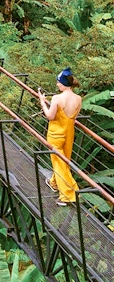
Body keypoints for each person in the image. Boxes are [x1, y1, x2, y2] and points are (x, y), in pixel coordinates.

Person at [38, 68, 82, 206]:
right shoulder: (78, 99)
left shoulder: (57, 98)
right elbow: (73, 118)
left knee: (58, 164)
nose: (57, 85)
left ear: (63, 83)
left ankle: (68, 195)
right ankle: (54, 183)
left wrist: (42, 102)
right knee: (64, 162)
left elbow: (50, 116)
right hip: (69, 133)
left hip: (56, 134)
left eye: (58, 82)